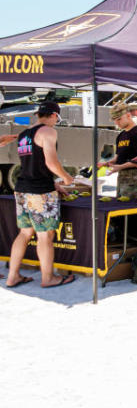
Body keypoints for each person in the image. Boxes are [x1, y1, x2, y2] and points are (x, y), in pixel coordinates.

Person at [0, 101, 75, 288]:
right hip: (39, 191)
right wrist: (65, 178)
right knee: (45, 236)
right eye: (57, 118)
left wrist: (54, 184)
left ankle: (12, 276)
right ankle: (48, 278)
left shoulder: (25, 134)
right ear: (54, 116)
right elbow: (50, 162)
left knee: (24, 233)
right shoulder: (48, 131)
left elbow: (33, 165)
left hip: (22, 189)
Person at [98, 104, 137, 200]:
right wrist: (108, 163)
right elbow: (118, 157)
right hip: (122, 177)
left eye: (119, 119)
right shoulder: (121, 135)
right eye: (114, 120)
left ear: (128, 116)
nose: (117, 123)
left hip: (136, 178)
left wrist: (120, 166)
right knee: (120, 207)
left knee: (132, 210)